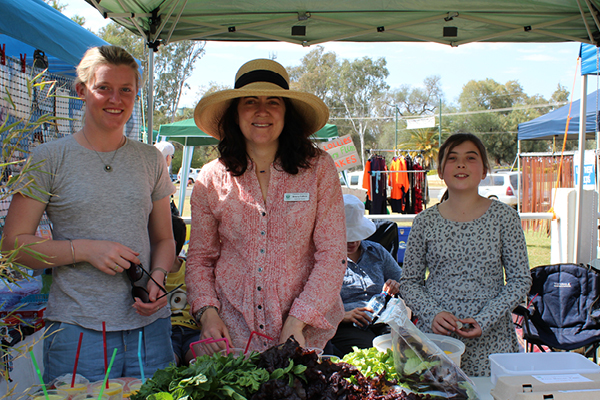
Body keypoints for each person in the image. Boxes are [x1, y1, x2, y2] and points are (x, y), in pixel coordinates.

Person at [2, 45, 177, 382]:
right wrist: (84, 250)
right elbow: (12, 245)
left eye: (126, 89)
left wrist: (157, 277)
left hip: (150, 329)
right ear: (81, 90)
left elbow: (164, 238)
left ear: (136, 94)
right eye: (104, 88)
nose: (116, 99)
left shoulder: (150, 159)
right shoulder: (48, 158)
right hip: (77, 331)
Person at [186, 58, 346, 355]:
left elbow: (332, 254)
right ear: (235, 114)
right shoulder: (210, 178)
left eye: (273, 101)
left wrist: (298, 319)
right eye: (250, 101)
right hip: (231, 337)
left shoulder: (319, 169)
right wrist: (207, 313)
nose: (262, 111)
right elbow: (199, 259)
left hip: (303, 336)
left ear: (287, 113)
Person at [398, 133, 532, 377]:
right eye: (452, 158)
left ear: (484, 170)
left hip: (493, 341)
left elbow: (520, 280)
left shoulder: (505, 218)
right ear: (440, 171)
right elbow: (409, 283)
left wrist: (485, 318)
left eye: (471, 158)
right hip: (438, 341)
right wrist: (432, 313)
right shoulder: (424, 222)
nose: (461, 164)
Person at [330, 194, 402, 357]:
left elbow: (404, 280)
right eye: (348, 236)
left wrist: (396, 285)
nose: (353, 242)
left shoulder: (376, 251)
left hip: (382, 318)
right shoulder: (325, 258)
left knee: (404, 347)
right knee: (373, 351)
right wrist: (343, 316)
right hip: (345, 324)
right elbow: (315, 303)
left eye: (357, 235)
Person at [166, 214, 200, 366]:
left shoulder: (191, 271)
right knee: (168, 364)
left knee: (205, 362)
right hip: (166, 333)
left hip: (193, 332)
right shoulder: (150, 275)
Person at [154, 140, 179, 216]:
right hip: (161, 213)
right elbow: (171, 190)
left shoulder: (150, 170)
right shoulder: (162, 172)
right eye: (172, 156)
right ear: (168, 157)